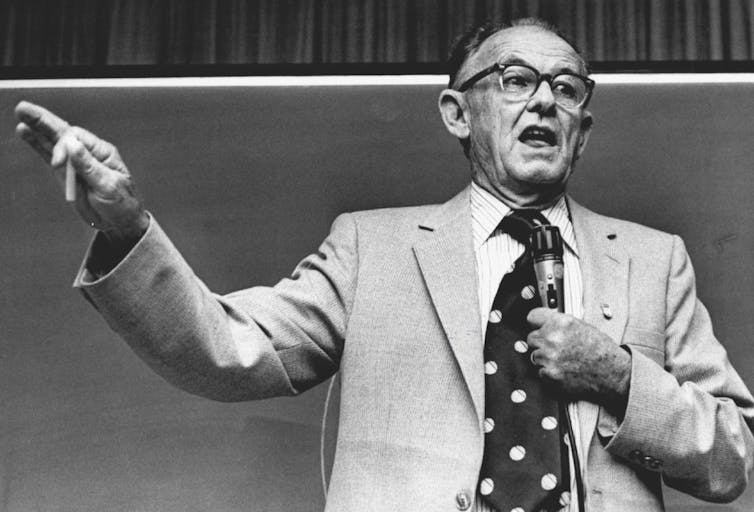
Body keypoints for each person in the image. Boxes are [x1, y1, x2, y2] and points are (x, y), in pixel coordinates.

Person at [14, 17, 754, 512]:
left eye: (566, 89)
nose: (544, 102)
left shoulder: (656, 263)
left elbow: (733, 458)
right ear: (457, 113)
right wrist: (127, 226)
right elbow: (228, 349)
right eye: (515, 80)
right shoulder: (372, 247)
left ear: (583, 130)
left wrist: (622, 378)